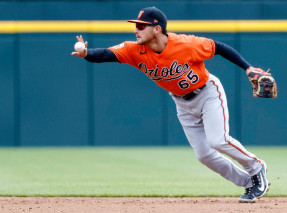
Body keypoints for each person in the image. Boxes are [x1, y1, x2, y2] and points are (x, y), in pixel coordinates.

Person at [72, 7, 270, 203]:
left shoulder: (185, 43)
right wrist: (86, 53)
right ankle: (249, 182)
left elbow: (219, 47)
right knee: (204, 155)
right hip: (182, 103)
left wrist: (248, 68)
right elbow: (106, 54)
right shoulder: (134, 50)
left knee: (218, 140)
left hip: (208, 93)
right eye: (136, 26)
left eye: (142, 26)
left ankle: (256, 167)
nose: (136, 30)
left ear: (157, 29)